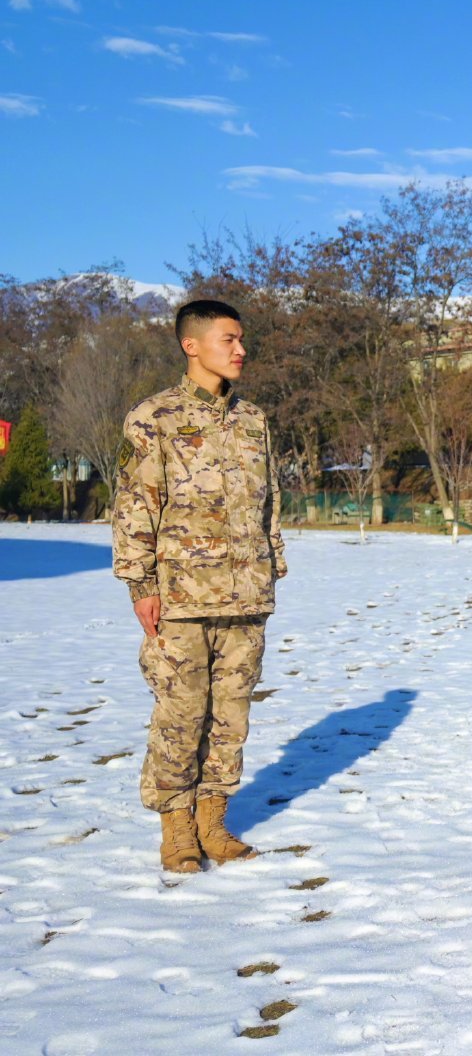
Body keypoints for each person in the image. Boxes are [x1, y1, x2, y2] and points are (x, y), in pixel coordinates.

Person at [112, 300, 286, 874]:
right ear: (192, 345)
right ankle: (177, 829)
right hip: (180, 597)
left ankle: (213, 821)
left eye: (242, 341)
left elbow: (269, 503)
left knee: (231, 716)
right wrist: (140, 582)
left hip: (246, 595)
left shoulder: (254, 420)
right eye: (228, 340)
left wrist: (271, 564)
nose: (240, 350)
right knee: (180, 715)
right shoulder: (153, 418)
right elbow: (135, 505)